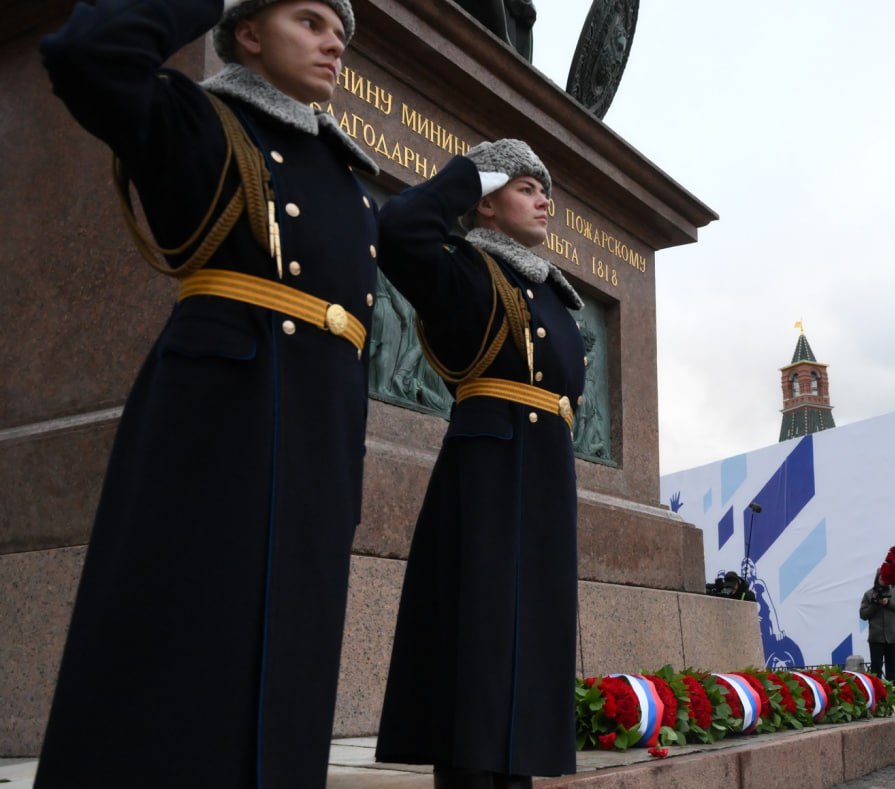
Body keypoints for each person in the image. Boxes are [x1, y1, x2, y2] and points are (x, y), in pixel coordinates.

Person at [36, 1, 377, 786]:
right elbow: (86, 53)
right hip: (220, 431)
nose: (336, 43)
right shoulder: (201, 123)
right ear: (249, 30)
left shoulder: (349, 179)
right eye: (314, 20)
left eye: (343, 32)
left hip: (318, 455)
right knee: (179, 680)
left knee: (289, 689)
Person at [374, 139, 585, 789]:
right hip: (485, 483)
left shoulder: (557, 301)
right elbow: (400, 227)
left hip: (544, 488)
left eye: (544, 189)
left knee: (527, 659)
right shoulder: (465, 272)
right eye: (525, 186)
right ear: (485, 205)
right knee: (478, 656)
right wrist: (471, 172)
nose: (544, 198)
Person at [859, 569, 895, 684]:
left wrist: (888, 603)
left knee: (891, 669)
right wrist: (874, 604)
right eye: (881, 577)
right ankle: (877, 698)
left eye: (887, 578)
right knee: (876, 669)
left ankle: (893, 698)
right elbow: (863, 615)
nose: (884, 580)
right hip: (876, 638)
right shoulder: (869, 594)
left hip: (893, 637)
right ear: (877, 578)